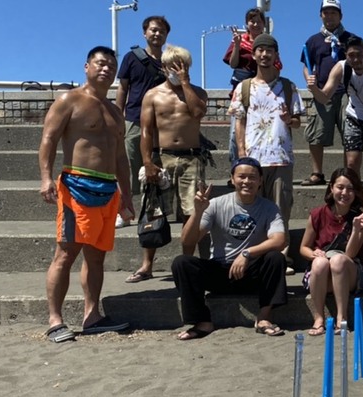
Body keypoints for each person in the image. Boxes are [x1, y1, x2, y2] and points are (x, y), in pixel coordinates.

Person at [40, 46, 134, 343]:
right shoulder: (70, 100)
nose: (106, 69)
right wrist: (45, 178)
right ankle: (55, 320)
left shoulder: (115, 112)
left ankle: (92, 316)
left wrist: (128, 198)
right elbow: (49, 139)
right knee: (66, 254)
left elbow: (121, 158)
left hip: (108, 190)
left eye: (111, 65)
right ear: (86, 66)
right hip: (76, 186)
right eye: (100, 63)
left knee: (96, 257)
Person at [171, 157, 288, 340]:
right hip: (221, 271)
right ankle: (202, 321)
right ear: (232, 179)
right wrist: (198, 212)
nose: (247, 181)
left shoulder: (269, 208)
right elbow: (188, 241)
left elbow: (280, 240)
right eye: (241, 176)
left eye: (252, 177)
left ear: (260, 180)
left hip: (252, 272)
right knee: (182, 263)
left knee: (276, 258)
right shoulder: (216, 204)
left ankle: (264, 317)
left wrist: (247, 253)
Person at [128, 45, 208, 283]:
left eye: (182, 66)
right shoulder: (152, 95)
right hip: (161, 157)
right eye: (173, 67)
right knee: (153, 211)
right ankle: (147, 265)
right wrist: (147, 161)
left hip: (191, 158)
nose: (178, 70)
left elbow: (197, 113)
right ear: (164, 68)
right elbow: (145, 131)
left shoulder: (198, 92)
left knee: (191, 212)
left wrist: (184, 83)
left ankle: (187, 263)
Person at [229, 33, 304, 276]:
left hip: (281, 157)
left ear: (276, 55)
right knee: (252, 209)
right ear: (254, 54)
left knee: (281, 209)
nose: (264, 54)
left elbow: (297, 123)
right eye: (259, 50)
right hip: (253, 160)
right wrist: (241, 153)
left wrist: (288, 119)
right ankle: (251, 254)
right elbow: (239, 121)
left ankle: (281, 257)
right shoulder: (245, 87)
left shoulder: (289, 87)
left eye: (269, 50)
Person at [298, 168, 363, 336]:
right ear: (331, 188)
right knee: (319, 263)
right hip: (322, 274)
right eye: (340, 187)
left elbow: (350, 254)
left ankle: (342, 318)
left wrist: (356, 230)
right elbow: (303, 248)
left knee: (339, 260)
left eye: (350, 188)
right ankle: (319, 318)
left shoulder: (361, 217)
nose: (345, 193)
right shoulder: (318, 214)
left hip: (350, 272)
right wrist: (314, 254)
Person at [307, 36, 363, 187]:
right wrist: (314, 89)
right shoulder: (341, 67)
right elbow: (325, 97)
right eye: (351, 55)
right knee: (351, 163)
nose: (356, 59)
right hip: (355, 118)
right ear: (345, 55)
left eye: (359, 55)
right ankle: (356, 201)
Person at [115, 15, 169, 223]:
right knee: (128, 166)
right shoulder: (131, 57)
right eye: (153, 30)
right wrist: (118, 116)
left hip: (161, 124)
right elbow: (123, 88)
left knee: (156, 167)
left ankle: (153, 210)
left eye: (161, 31)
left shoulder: (168, 62)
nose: (157, 33)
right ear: (145, 32)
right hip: (134, 119)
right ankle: (124, 211)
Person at [299, 0, 355, 187]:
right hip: (323, 92)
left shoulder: (351, 40)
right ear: (321, 15)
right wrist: (309, 80)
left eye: (333, 12)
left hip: (348, 92)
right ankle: (317, 173)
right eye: (326, 12)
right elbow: (306, 66)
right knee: (316, 133)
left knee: (350, 134)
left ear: (340, 15)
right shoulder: (313, 41)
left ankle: (349, 174)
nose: (329, 16)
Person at [222, 7, 280, 163]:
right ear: (247, 23)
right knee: (236, 133)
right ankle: (236, 167)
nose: (255, 24)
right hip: (242, 91)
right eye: (252, 21)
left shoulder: (268, 43)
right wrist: (236, 45)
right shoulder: (240, 40)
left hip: (263, 92)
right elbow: (233, 64)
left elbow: (277, 68)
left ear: (264, 24)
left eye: (259, 21)